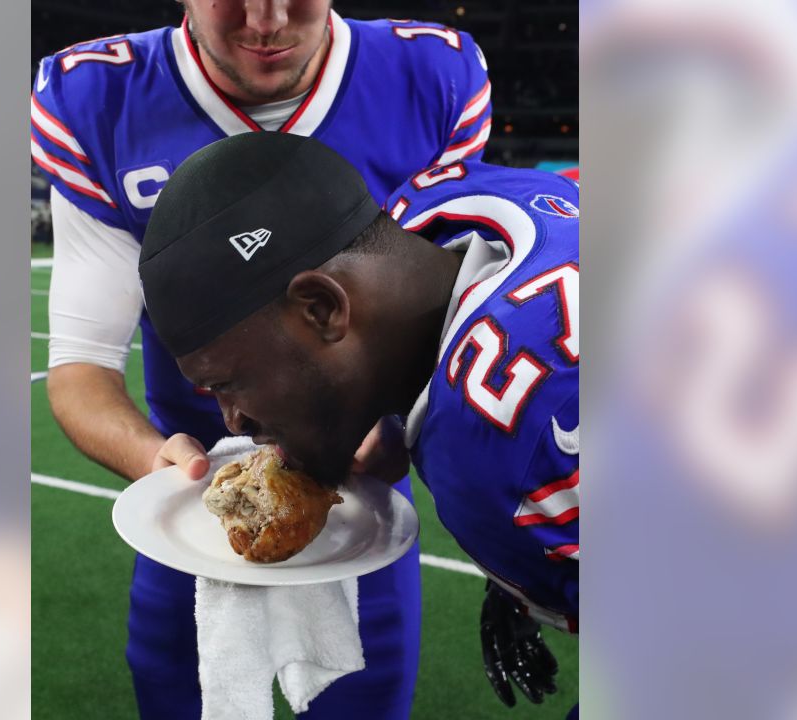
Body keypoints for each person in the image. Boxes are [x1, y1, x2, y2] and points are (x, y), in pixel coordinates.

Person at [29, 1, 492, 717]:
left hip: (358, 490)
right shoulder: (101, 99)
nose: (267, 20)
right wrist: (165, 465)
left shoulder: (429, 77)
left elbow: (453, 306)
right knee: (177, 690)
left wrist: (399, 428)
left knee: (362, 698)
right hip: (195, 493)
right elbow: (81, 367)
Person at [140, 132, 579, 711]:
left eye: (227, 383)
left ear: (322, 308)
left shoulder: (501, 440)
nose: (236, 420)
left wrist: (537, 559)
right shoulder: (437, 204)